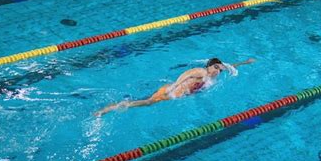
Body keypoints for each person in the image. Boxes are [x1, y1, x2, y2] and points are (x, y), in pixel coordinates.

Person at [94, 58, 255, 116]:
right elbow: (187, 75)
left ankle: (117, 105)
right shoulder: (201, 71)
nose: (218, 71)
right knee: (148, 102)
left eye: (220, 69)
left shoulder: (214, 73)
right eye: (216, 68)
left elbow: (228, 66)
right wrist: (175, 86)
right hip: (171, 92)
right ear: (210, 66)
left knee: (145, 100)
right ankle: (109, 109)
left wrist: (244, 63)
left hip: (173, 92)